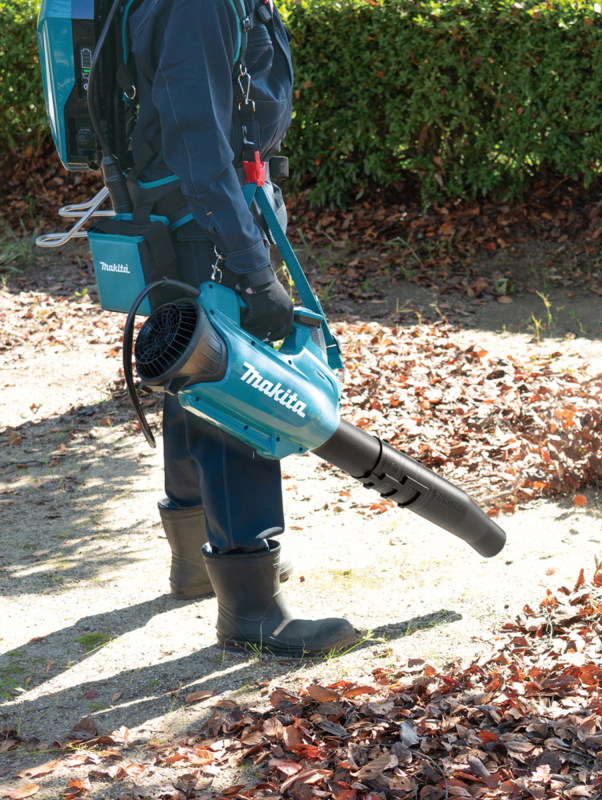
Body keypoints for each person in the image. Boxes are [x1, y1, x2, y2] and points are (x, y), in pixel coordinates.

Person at [126, 0, 355, 656]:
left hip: (180, 214)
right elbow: (198, 142)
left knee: (194, 374)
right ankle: (252, 608)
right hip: (207, 220)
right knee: (236, 392)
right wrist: (252, 268)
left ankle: (197, 566)